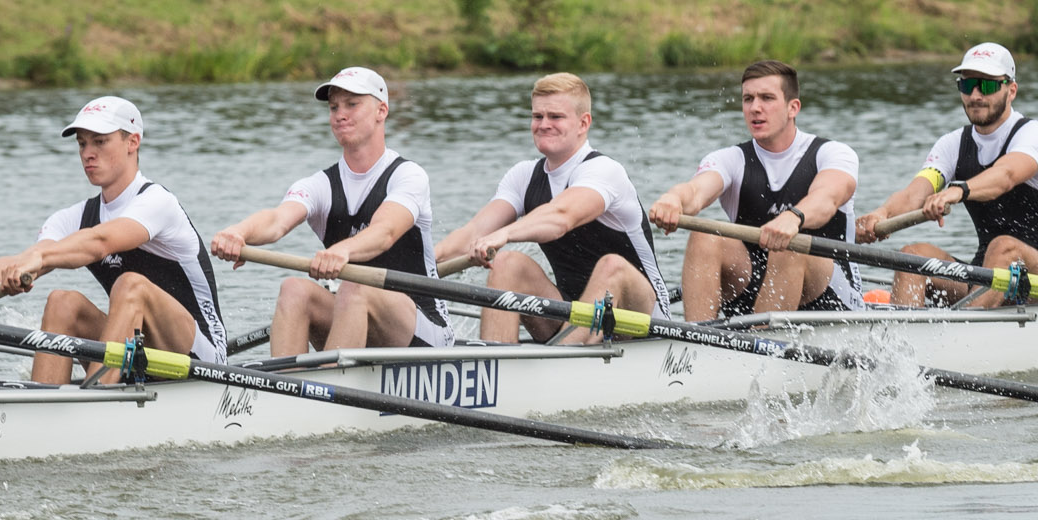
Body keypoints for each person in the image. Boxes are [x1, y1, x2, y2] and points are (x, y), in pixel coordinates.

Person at [209, 67, 451, 354]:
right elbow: (276, 220)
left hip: (423, 330)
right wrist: (238, 232)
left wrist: (344, 251)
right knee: (294, 289)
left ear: (381, 111)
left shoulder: (408, 176)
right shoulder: (321, 184)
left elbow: (384, 232)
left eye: (352, 104)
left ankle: (325, 388)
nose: (340, 114)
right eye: (334, 107)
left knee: (353, 287)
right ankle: (286, 390)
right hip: (356, 316)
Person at [0, 97, 226, 382]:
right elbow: (29, 256)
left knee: (130, 285)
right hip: (137, 349)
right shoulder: (72, 217)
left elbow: (100, 242)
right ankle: (44, 407)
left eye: (100, 142)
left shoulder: (157, 202)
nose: (88, 153)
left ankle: (101, 396)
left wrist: (39, 260)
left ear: (132, 142)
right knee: (62, 302)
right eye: (82, 143)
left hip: (200, 357)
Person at [436, 74, 670, 344]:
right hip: (573, 314)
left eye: (555, 117)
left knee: (612, 266)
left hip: (642, 320)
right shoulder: (523, 176)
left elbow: (561, 217)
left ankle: (563, 360)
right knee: (507, 263)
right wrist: (424, 263)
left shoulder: (604, 171)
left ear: (584, 123)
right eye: (537, 117)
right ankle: (494, 364)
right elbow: (473, 232)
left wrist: (505, 235)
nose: (543, 125)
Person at [855, 43, 1038, 310]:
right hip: (986, 275)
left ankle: (962, 338)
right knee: (913, 256)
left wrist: (958, 190)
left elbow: (1005, 176)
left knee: (1004, 247)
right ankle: (902, 340)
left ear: (1011, 90)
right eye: (967, 86)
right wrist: (882, 214)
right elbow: (915, 193)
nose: (975, 95)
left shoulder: (1033, 135)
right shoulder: (952, 144)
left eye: (987, 86)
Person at [646, 59, 862, 321]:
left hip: (830, 295)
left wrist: (794, 218)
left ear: (793, 107)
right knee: (704, 237)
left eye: (767, 98)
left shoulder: (833, 153)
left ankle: (760, 349)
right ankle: (697, 343)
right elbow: (695, 191)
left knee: (789, 248)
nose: (755, 108)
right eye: (748, 99)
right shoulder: (731, 159)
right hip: (755, 285)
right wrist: (673, 199)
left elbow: (827, 197)